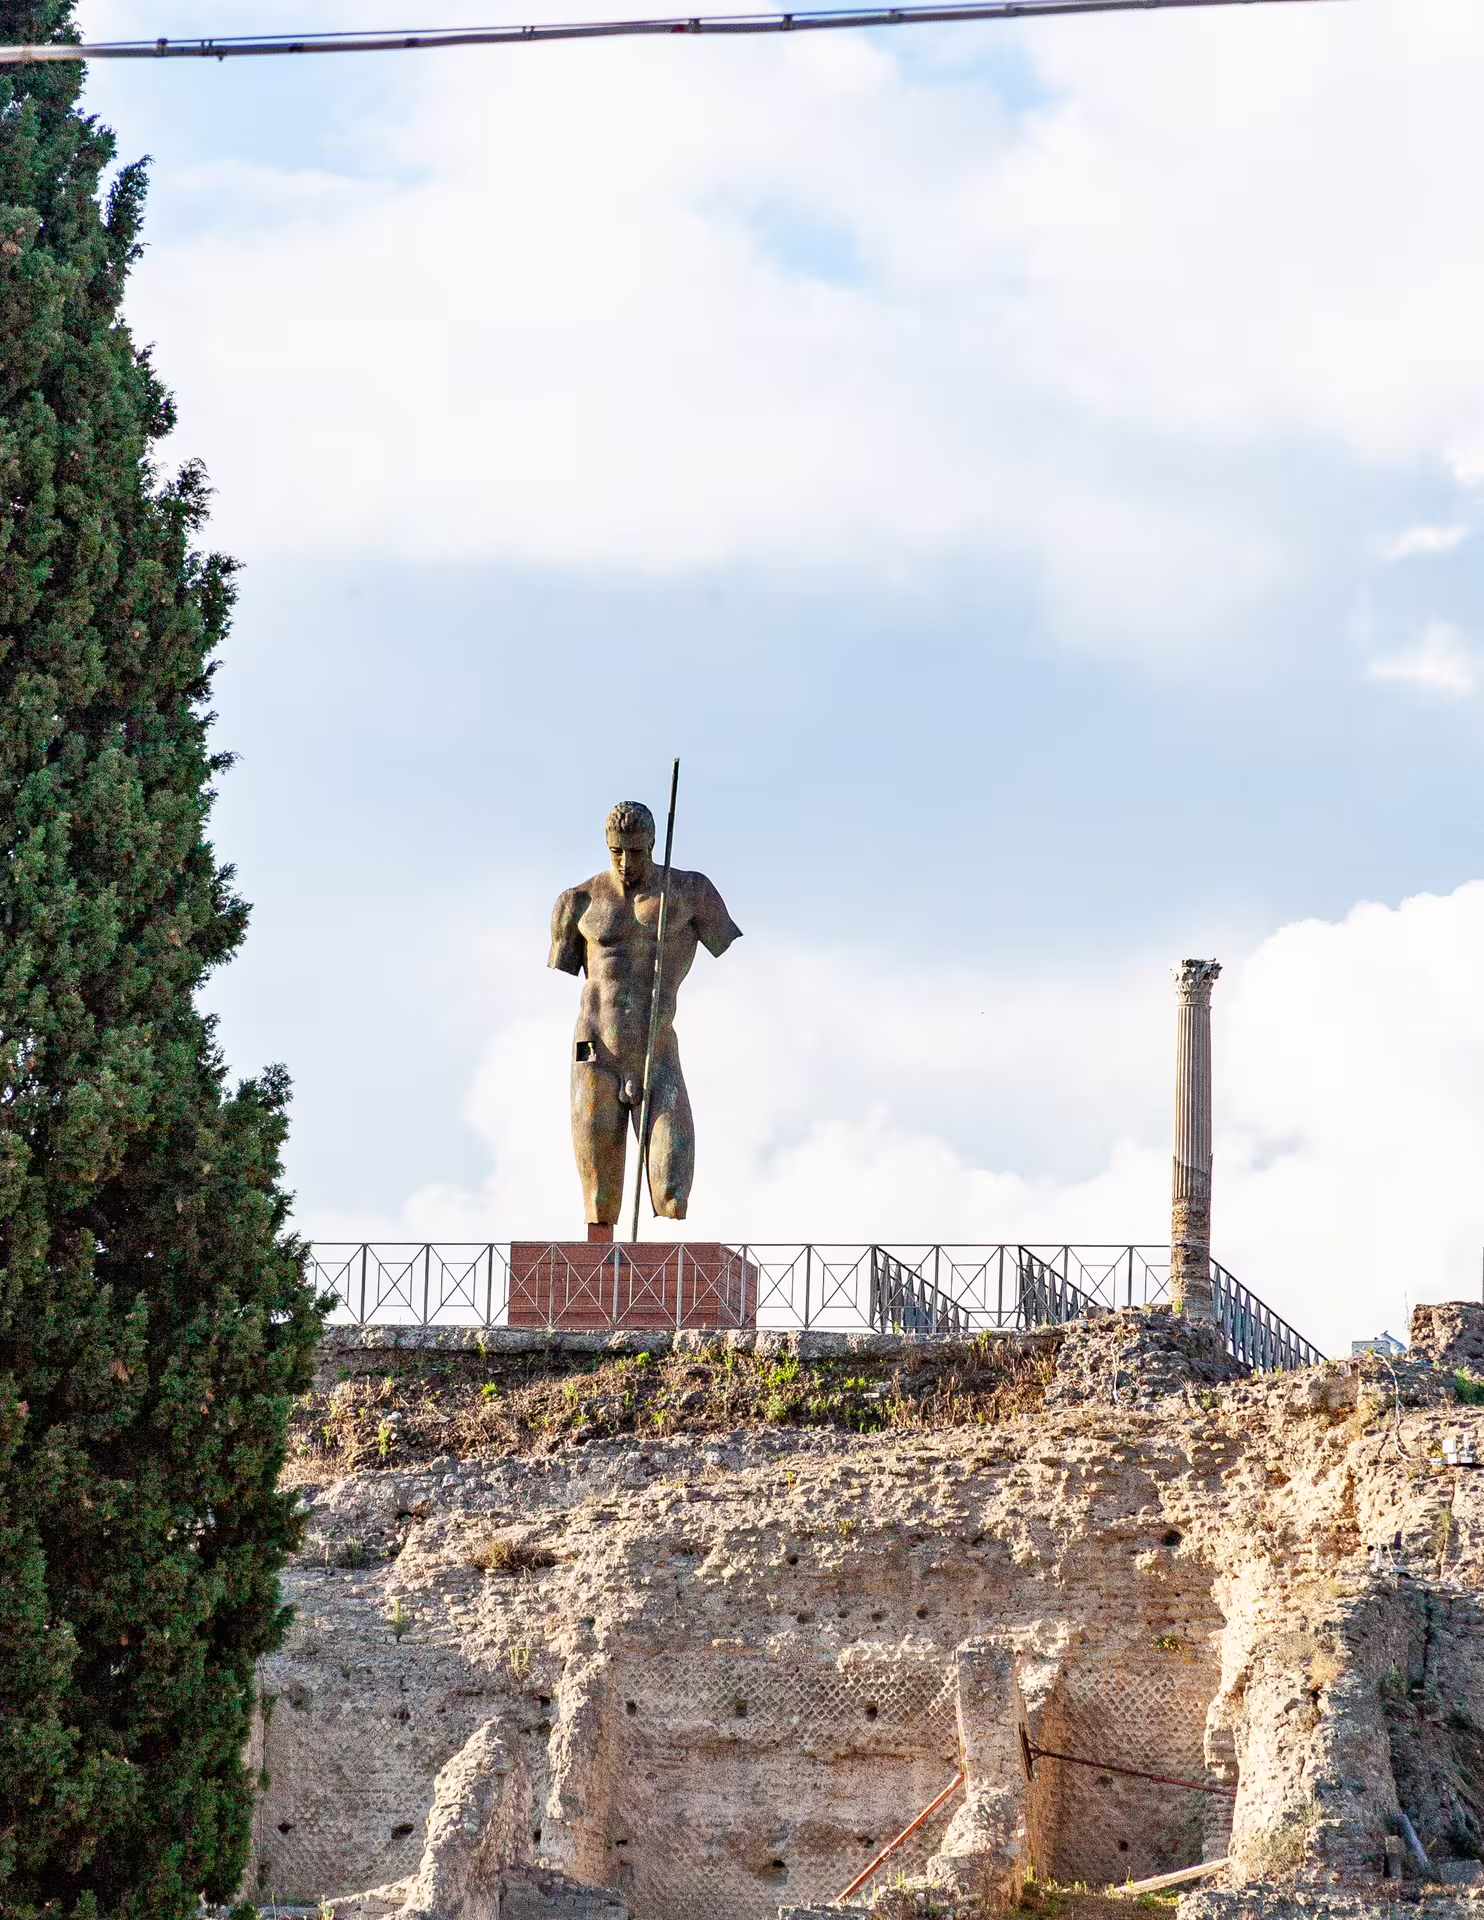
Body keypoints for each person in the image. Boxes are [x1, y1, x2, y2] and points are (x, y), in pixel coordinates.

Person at [549, 800, 741, 1234]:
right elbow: (566, 965)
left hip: (656, 1050)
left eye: (636, 851)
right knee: (600, 1199)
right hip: (595, 1051)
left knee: (673, 1189)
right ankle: (600, 1278)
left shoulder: (690, 893)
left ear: (652, 844)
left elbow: (723, 941)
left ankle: (670, 1279)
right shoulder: (577, 903)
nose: (625, 862)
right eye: (616, 850)